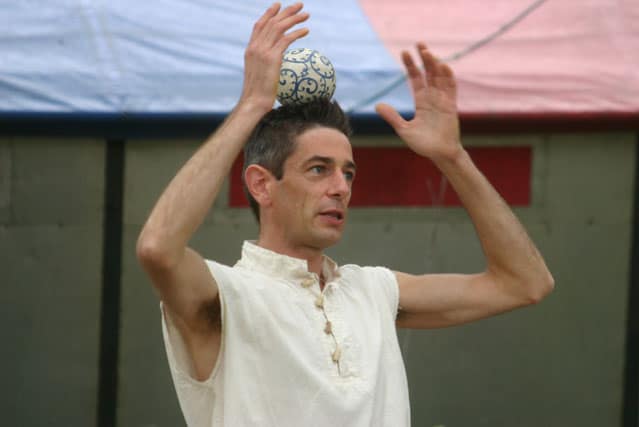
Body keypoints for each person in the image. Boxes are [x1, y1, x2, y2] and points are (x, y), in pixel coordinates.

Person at [136, 2, 554, 426]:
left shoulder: (374, 290)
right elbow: (157, 248)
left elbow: (525, 283)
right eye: (319, 169)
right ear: (261, 184)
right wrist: (252, 105)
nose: (341, 187)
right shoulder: (226, 294)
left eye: (348, 173)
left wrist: (453, 157)